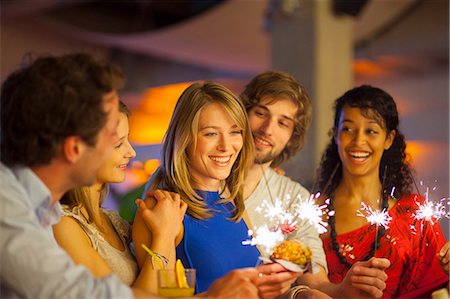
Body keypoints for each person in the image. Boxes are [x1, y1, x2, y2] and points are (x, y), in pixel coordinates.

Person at [0, 53, 260, 299]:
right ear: (75, 148)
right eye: (114, 135)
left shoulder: (45, 211)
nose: (130, 150)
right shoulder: (7, 210)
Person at [133, 81, 300, 298]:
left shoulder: (231, 202)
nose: (226, 146)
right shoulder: (161, 206)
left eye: (234, 132)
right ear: (185, 138)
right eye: (211, 133)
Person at [240, 71, 391, 298]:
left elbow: (315, 278)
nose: (267, 129)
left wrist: (342, 289)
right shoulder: (203, 177)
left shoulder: (293, 198)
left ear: (292, 136)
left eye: (283, 123)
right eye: (261, 113)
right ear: (242, 113)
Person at [315, 84, 449, 298]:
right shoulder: (313, 213)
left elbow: (441, 291)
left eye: (371, 131)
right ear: (336, 135)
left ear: (388, 139)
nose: (358, 141)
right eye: (348, 129)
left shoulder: (414, 214)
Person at [52, 101, 188, 294]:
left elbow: (166, 291)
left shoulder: (113, 221)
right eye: (118, 144)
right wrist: (164, 236)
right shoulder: (62, 225)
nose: (131, 152)